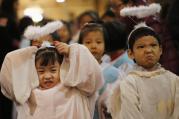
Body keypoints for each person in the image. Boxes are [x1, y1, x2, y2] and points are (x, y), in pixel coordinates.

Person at [0, 20, 103, 119]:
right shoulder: (27, 91)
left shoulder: (74, 87)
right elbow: (9, 67)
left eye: (53, 70)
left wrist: (72, 51)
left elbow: (93, 77)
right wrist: (29, 52)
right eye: (41, 71)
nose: (48, 76)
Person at [107, 23, 179, 119]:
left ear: (160, 50)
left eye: (153, 45)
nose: (148, 50)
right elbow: (131, 115)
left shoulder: (174, 80)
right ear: (130, 53)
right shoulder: (130, 82)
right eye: (141, 47)